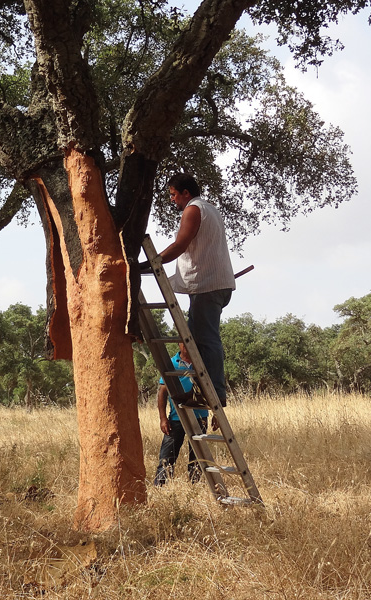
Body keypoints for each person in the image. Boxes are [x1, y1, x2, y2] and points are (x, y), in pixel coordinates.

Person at [147, 173, 236, 406]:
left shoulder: (193, 209)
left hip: (207, 285)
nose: (173, 200)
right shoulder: (210, 209)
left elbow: (180, 244)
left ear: (186, 193)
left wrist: (153, 262)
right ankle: (202, 392)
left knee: (207, 340)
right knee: (198, 341)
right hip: (214, 283)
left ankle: (215, 393)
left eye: (174, 195)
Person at [154, 344, 209, 486]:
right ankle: (160, 488)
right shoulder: (172, 363)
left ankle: (194, 488)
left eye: (189, 342)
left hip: (200, 417)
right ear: (179, 344)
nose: (186, 346)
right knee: (167, 457)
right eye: (183, 343)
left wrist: (215, 414)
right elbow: (162, 392)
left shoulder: (201, 362)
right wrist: (163, 418)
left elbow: (211, 390)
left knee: (197, 458)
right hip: (176, 417)